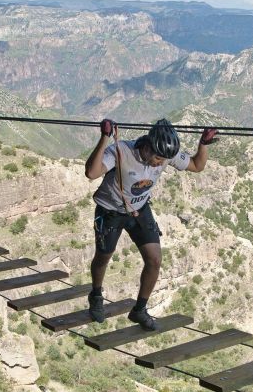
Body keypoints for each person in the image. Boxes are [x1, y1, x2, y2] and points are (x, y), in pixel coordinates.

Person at [84, 118, 218, 330]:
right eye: (157, 157)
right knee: (103, 258)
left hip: (139, 210)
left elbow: (196, 165)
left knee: (154, 260)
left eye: (164, 160)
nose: (159, 163)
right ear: (147, 146)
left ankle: (139, 309)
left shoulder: (166, 156)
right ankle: (96, 294)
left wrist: (203, 143)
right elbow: (92, 173)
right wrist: (104, 138)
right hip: (110, 212)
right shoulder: (122, 151)